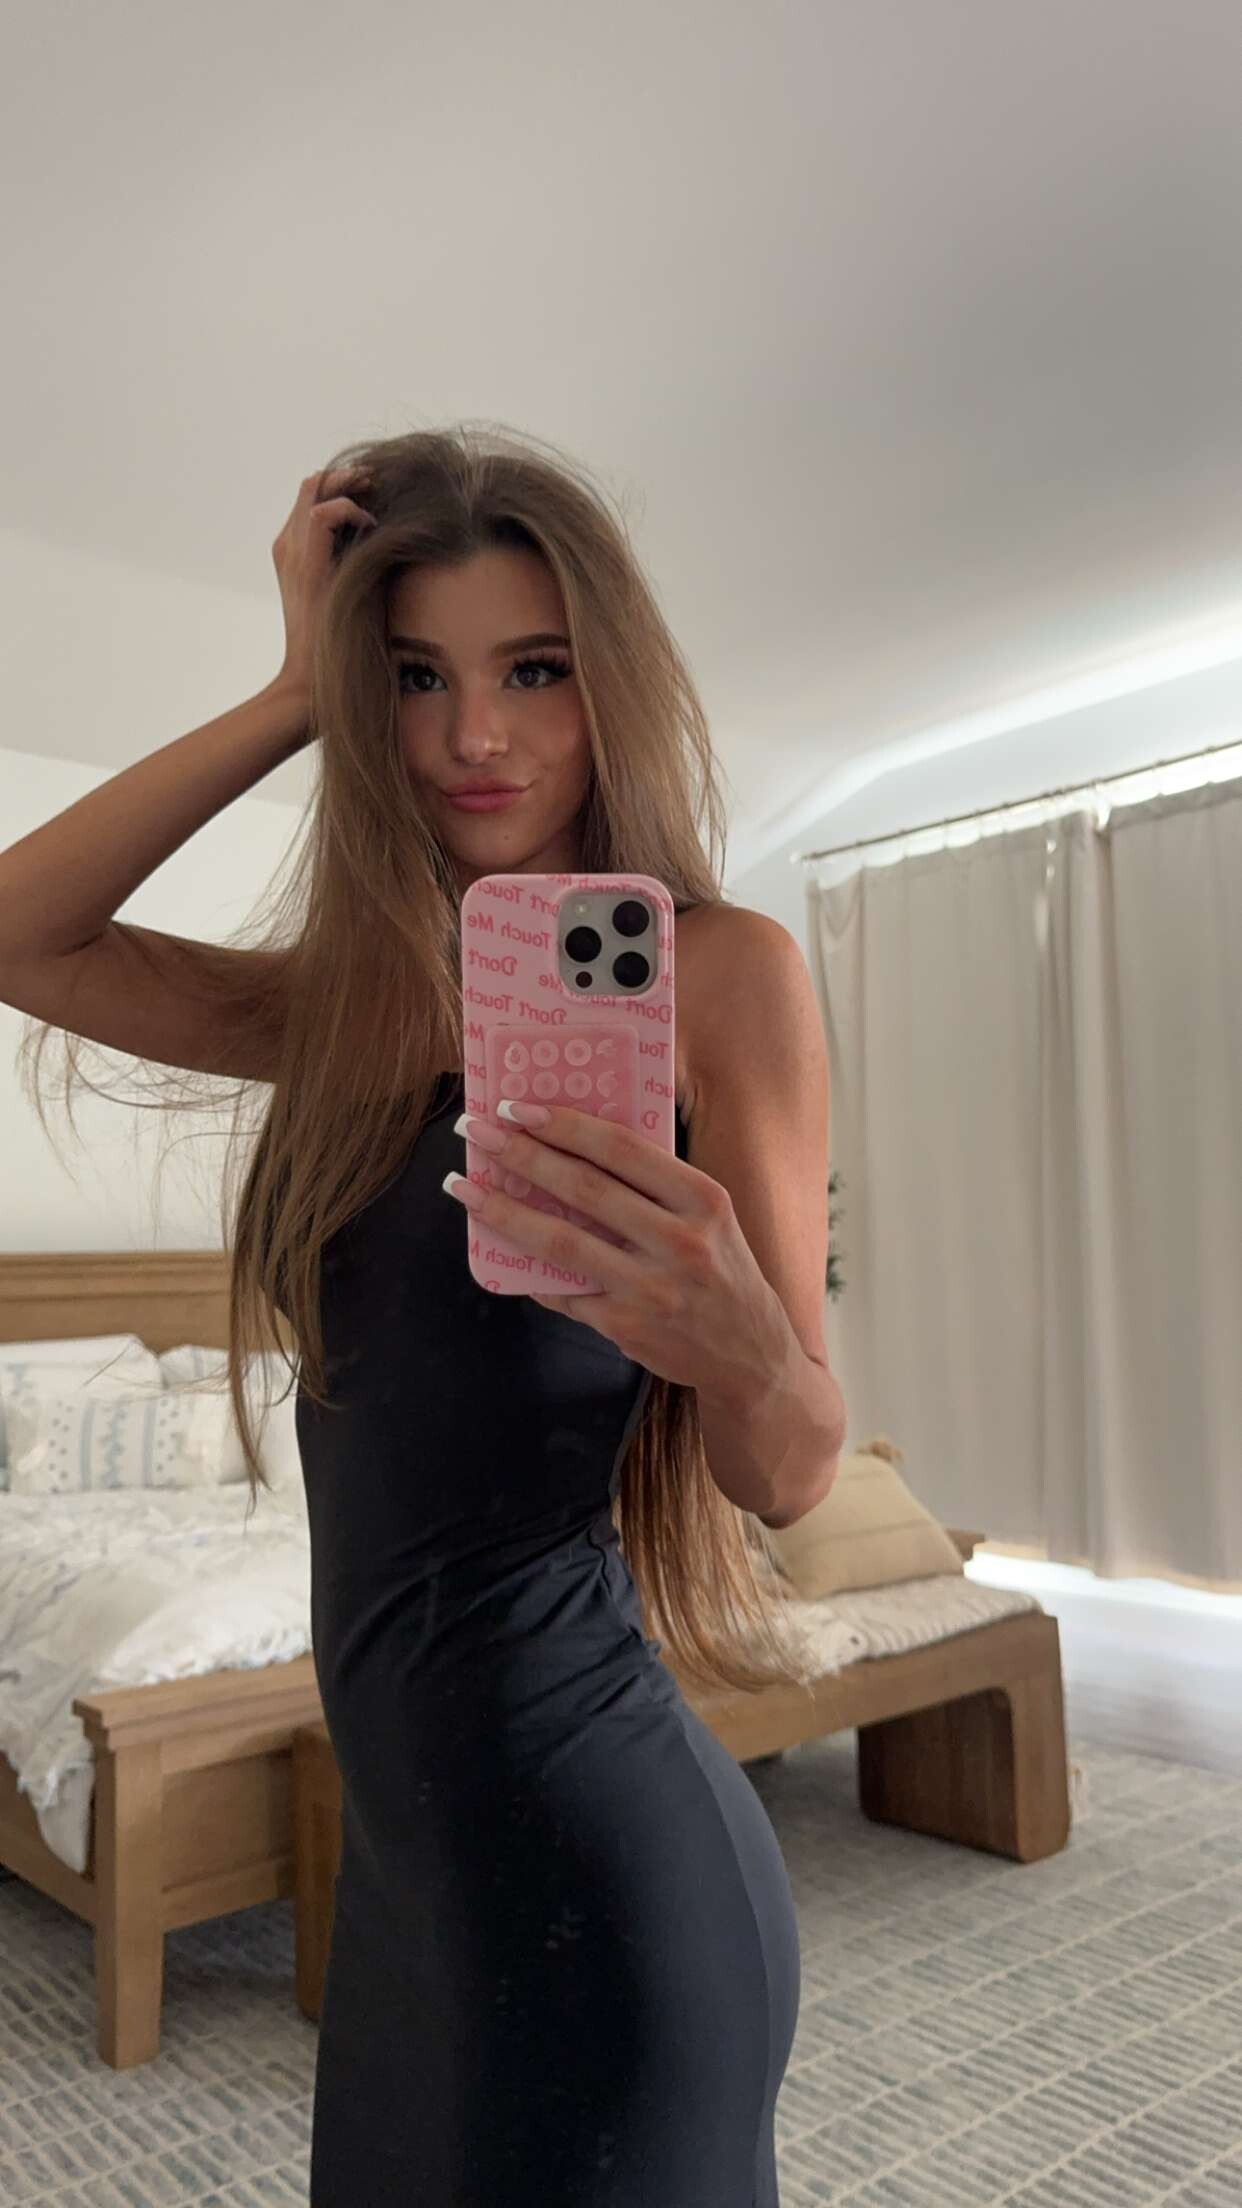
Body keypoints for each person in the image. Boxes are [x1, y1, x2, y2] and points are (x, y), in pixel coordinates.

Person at [0, 424, 846, 2205]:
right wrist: (288, 693)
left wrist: (739, 1339)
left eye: (534, 670)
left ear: (610, 683)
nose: (476, 735)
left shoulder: (723, 974)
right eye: (411, 676)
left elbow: (789, 1471)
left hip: (601, 1853)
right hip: (409, 1871)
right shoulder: (350, 1004)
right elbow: (19, 931)